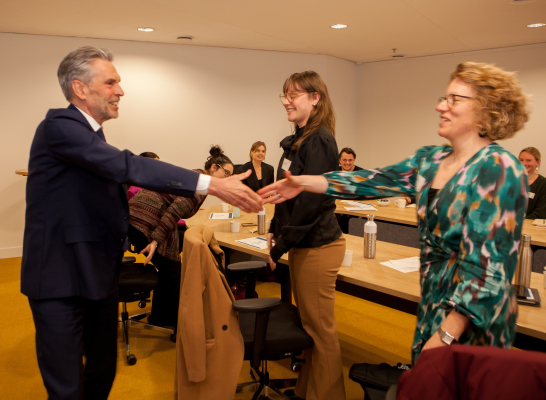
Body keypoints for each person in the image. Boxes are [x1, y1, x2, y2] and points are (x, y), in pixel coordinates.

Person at [21, 46, 261, 400]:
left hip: (97, 274)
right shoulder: (58, 127)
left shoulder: (91, 135)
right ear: (80, 88)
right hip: (60, 279)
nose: (120, 91)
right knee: (67, 386)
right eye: (111, 82)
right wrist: (211, 183)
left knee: (103, 370)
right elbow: (129, 165)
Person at [260, 62, 530, 365]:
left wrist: (445, 335)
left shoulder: (499, 168)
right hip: (435, 302)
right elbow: (373, 180)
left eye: (454, 99)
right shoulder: (431, 159)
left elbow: (487, 270)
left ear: (485, 109)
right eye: (444, 98)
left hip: (472, 320)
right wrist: (305, 183)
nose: (441, 106)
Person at [269, 71, 346, 400]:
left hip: (317, 246)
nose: (286, 101)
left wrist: (280, 245)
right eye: (285, 95)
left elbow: (312, 203)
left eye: (293, 95)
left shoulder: (320, 140)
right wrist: (274, 232)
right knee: (310, 329)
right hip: (303, 244)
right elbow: (286, 194)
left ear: (315, 98)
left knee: (321, 332)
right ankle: (307, 391)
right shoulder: (298, 140)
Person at [128, 146, 234, 327]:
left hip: (136, 218)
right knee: (173, 271)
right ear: (214, 167)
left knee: (177, 259)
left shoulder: (197, 176)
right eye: (227, 173)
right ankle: (166, 320)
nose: (228, 178)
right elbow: (173, 211)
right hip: (142, 223)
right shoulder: (199, 186)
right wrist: (155, 241)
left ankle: (161, 316)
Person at [519, 147, 546, 219]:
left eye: (528, 160)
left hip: (531, 225)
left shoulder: (543, 184)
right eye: (521, 160)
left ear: (538, 162)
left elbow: (541, 213)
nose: (524, 163)